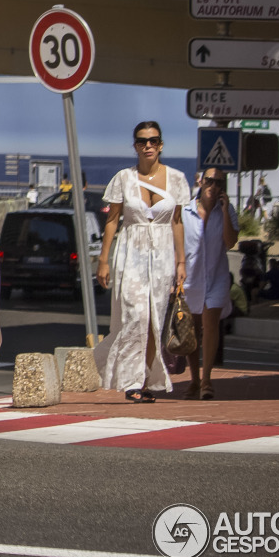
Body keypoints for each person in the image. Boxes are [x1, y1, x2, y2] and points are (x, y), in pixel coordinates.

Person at [93, 121, 189, 402]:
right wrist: (103, 259)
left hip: (162, 254)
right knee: (136, 315)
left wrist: (181, 262)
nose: (147, 145)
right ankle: (133, 382)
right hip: (130, 250)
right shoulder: (123, 177)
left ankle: (144, 381)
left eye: (153, 140)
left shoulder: (177, 179)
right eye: (141, 141)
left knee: (155, 320)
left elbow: (178, 222)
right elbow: (112, 220)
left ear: (161, 145)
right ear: (135, 145)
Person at [181, 167, 239, 400]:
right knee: (192, 330)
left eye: (219, 183)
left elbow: (230, 242)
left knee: (211, 324)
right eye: (210, 181)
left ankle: (207, 380)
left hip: (216, 276)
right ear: (201, 182)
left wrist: (224, 212)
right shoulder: (186, 211)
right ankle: (194, 380)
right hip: (192, 278)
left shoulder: (227, 210)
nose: (213, 186)